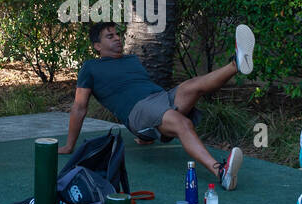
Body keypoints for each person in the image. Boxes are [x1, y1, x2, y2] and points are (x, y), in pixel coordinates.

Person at [60, 21, 255, 190]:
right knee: (182, 123)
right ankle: (221, 172)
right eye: (110, 36)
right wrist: (70, 145)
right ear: (97, 46)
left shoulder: (131, 60)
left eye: (117, 34)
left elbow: (141, 87)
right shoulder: (91, 68)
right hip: (138, 109)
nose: (117, 38)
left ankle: (236, 64)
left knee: (192, 85)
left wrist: (146, 135)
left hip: (160, 98)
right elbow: (79, 107)